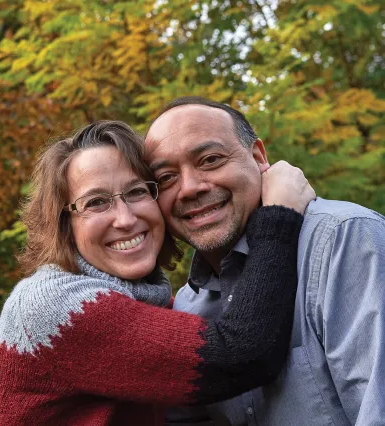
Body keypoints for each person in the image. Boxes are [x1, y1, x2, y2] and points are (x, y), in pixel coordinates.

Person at [0, 120, 315, 425]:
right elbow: (240, 355)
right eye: (96, 202)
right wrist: (279, 216)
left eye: (137, 192)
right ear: (64, 226)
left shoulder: (147, 303)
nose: (124, 219)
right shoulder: (55, 308)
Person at [145, 96, 385, 426]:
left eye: (210, 159)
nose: (189, 188)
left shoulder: (343, 241)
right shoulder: (189, 304)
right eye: (166, 178)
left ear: (258, 156)